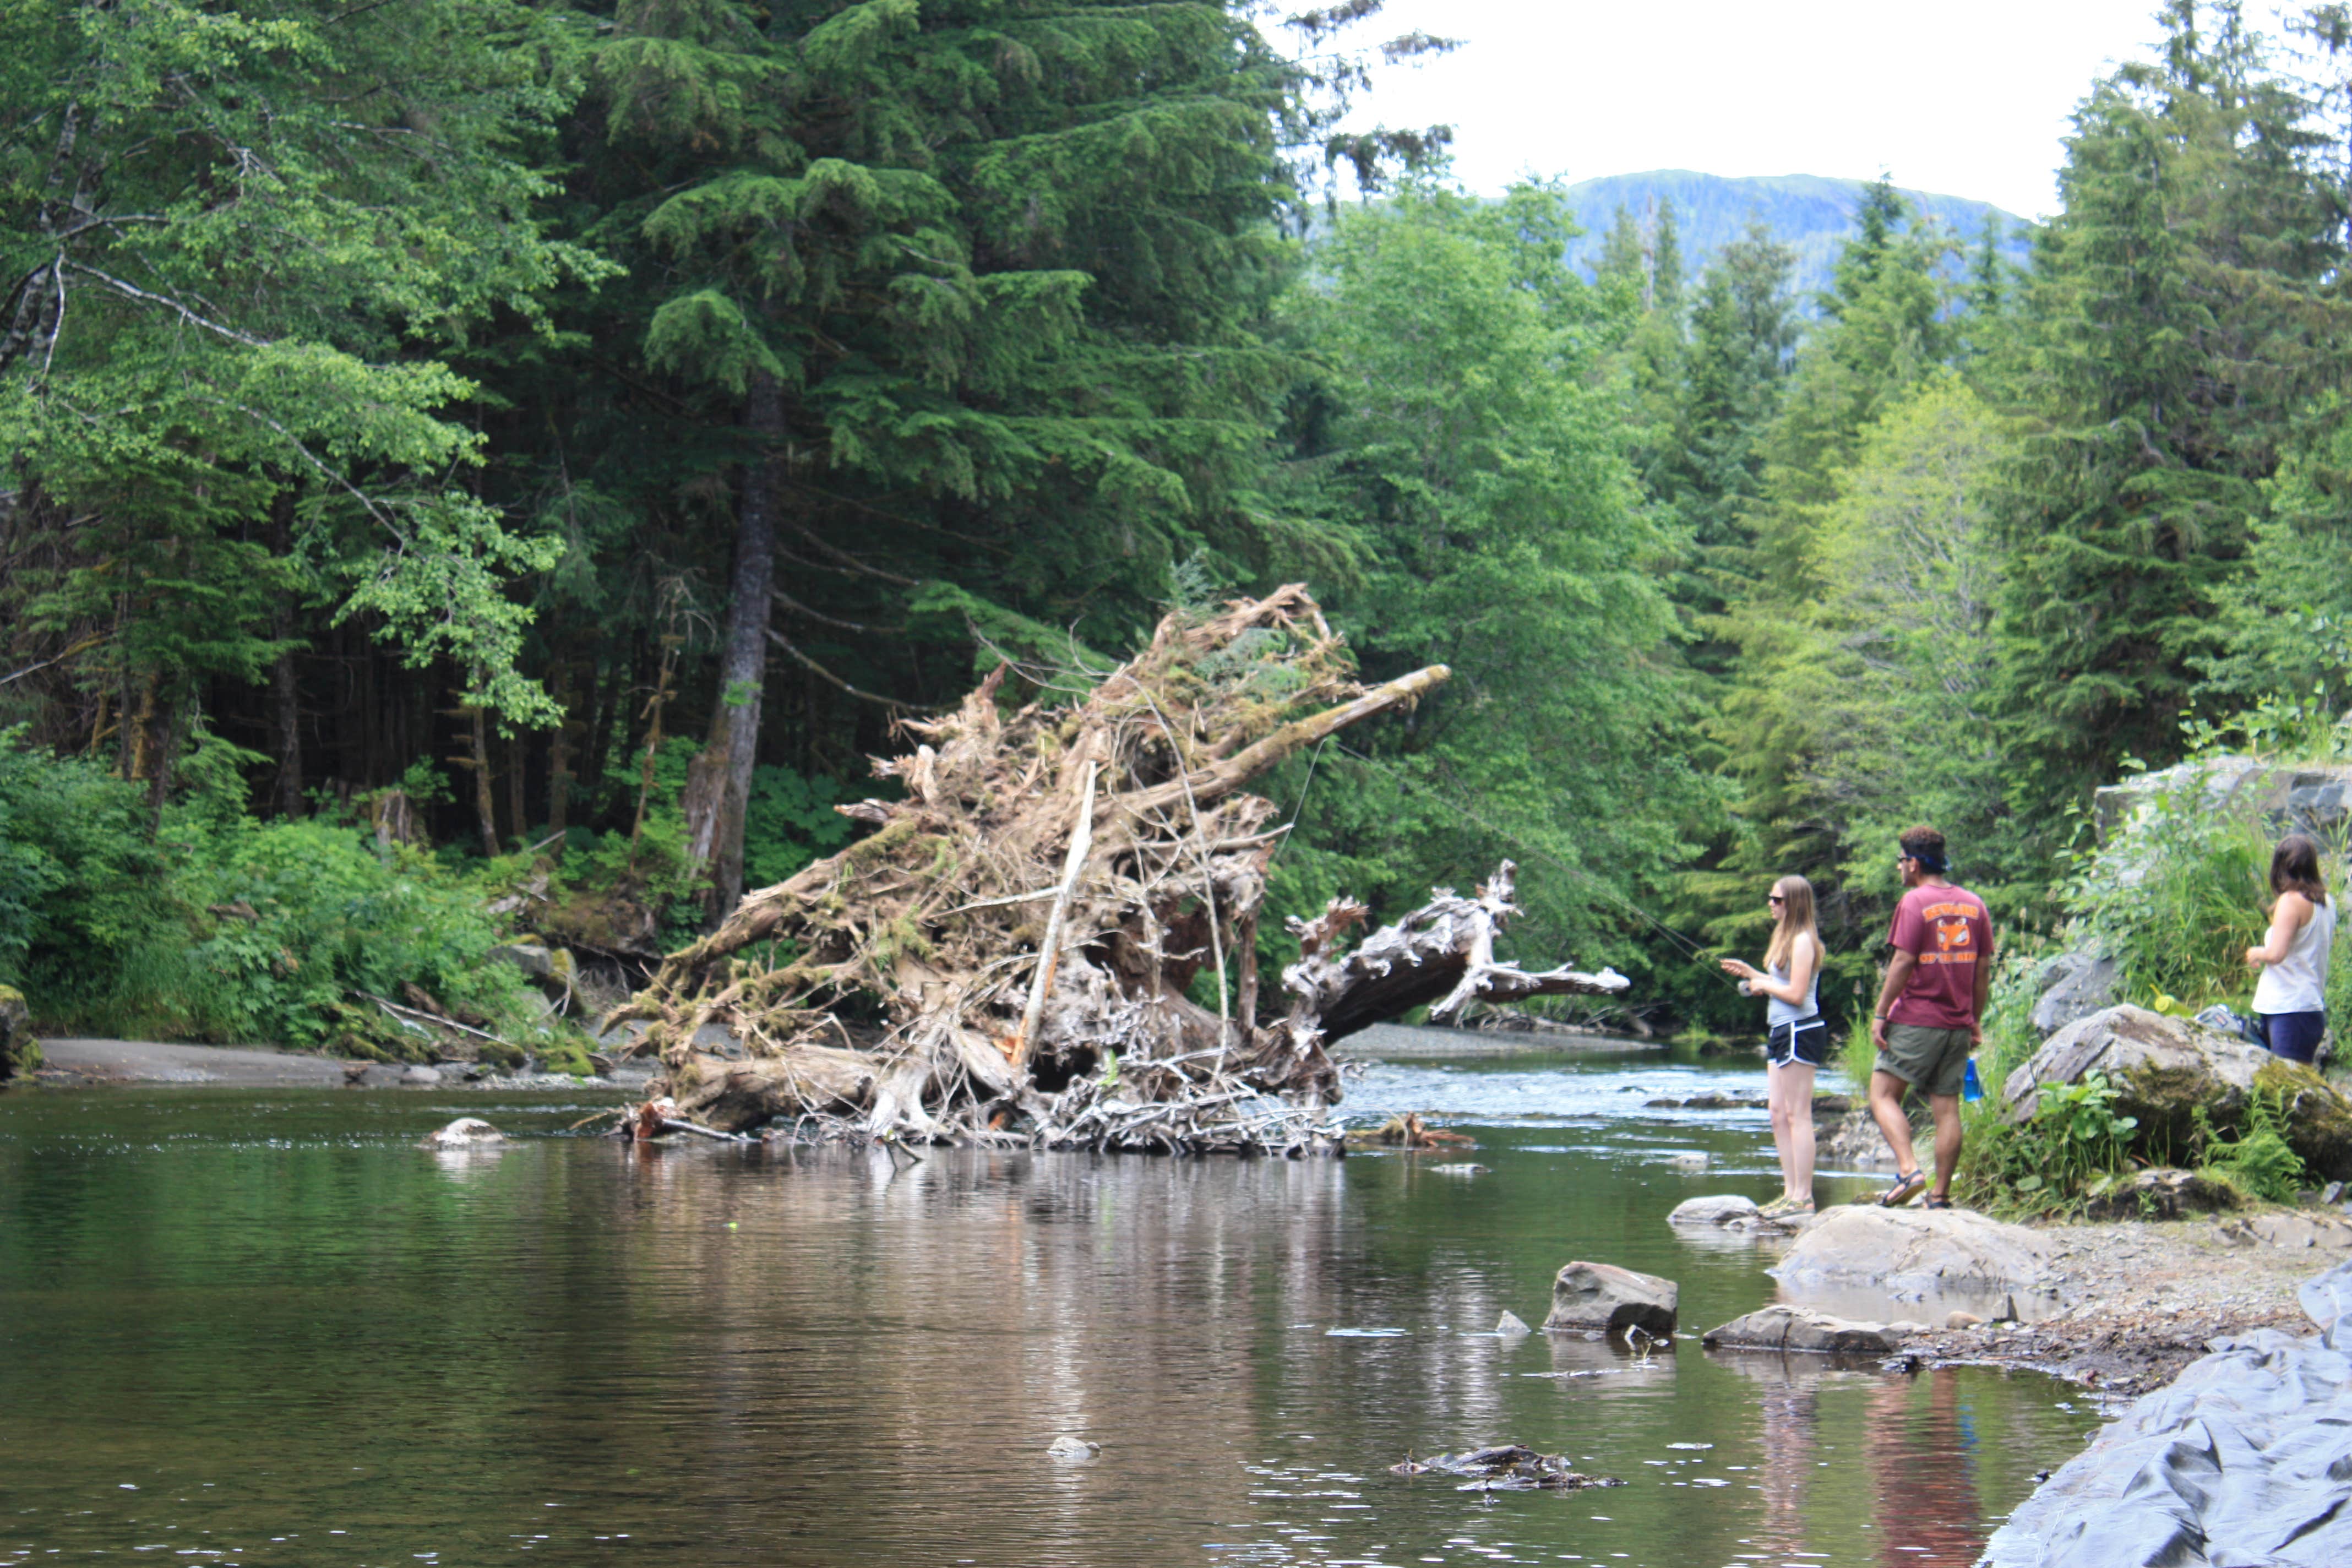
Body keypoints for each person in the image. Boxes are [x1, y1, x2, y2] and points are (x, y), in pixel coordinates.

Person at [1868, 825, 1994, 1208]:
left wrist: (1880, 1012)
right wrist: (1974, 1017)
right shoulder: (1975, 904)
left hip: (1918, 1018)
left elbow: (1904, 960)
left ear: (1915, 863)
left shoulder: (1914, 902)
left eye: (1901, 861)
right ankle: (1939, 1197)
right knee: (1947, 1106)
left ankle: (1909, 1171)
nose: (1899, 868)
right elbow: (1983, 966)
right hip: (1957, 1023)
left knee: (1882, 1094)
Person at [1721, 875, 1826, 1216]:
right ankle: (1789, 1192)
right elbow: (1780, 983)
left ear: (1793, 904)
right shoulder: (1786, 938)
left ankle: (1804, 1198)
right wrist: (1752, 974)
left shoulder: (1804, 941)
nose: (1770, 903)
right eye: (1771, 898)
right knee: (1778, 1114)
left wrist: (1761, 986)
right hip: (1780, 1030)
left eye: (1777, 899)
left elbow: (1796, 995)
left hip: (1801, 1030)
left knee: (1799, 1115)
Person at [2245, 834, 2337, 1065]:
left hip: (2289, 1010)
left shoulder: (2290, 901)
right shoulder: (2326, 901)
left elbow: (2276, 954)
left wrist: (2255, 953)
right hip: (2304, 1007)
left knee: (2287, 1091)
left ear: (2280, 867)